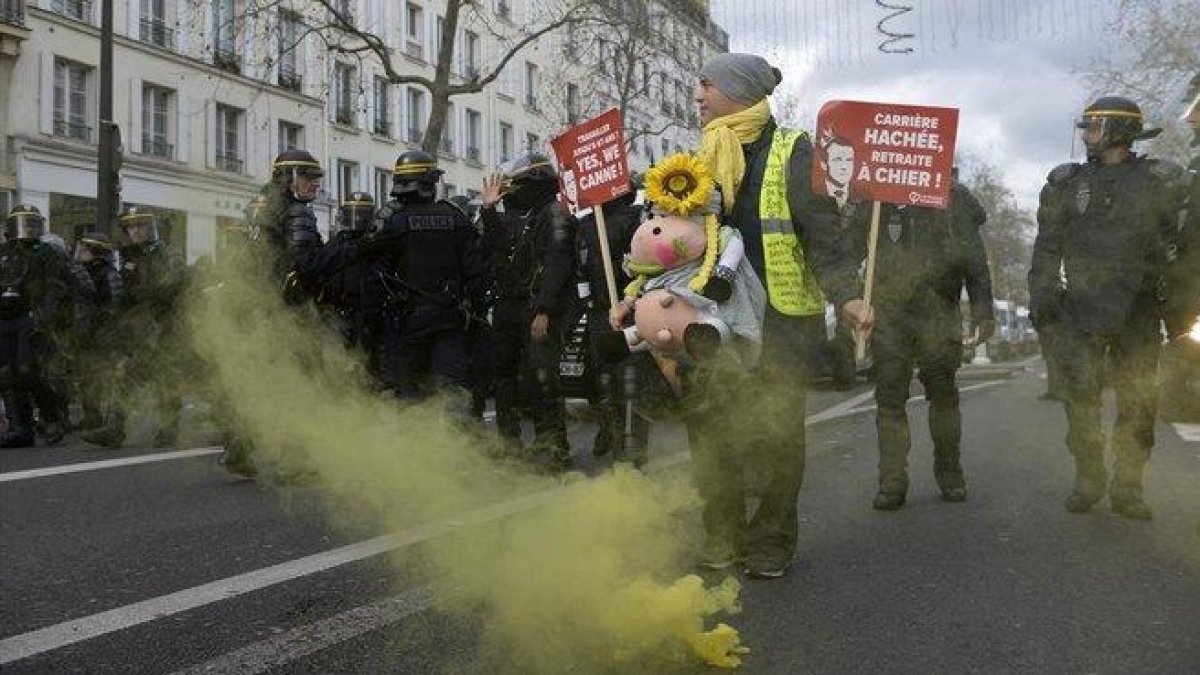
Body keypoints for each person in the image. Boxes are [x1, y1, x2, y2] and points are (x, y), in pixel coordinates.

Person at [689, 53, 872, 578]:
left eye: (705, 85)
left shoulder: (794, 151)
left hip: (780, 323)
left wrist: (848, 295)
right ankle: (721, 534)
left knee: (775, 436)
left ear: (736, 91)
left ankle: (770, 542)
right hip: (715, 324)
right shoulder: (698, 156)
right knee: (712, 431)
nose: (697, 95)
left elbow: (824, 236)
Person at [1029, 96, 1189, 520]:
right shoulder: (1065, 184)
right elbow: (1046, 250)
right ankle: (1089, 477)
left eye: (1093, 128)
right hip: (1080, 312)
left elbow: (1184, 251)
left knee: (1138, 404)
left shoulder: (1162, 182)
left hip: (1138, 312)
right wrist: (1042, 301)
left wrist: (1180, 314)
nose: (1085, 136)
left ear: (1118, 131)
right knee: (1080, 402)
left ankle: (1128, 487)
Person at [853, 180, 995, 510]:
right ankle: (892, 480)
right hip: (890, 313)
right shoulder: (877, 197)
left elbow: (975, 260)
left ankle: (949, 471)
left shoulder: (953, 196)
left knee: (944, 394)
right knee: (889, 395)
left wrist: (982, 310)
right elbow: (847, 251)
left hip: (939, 311)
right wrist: (850, 301)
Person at [480, 153, 578, 471]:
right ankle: (508, 442)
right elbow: (495, 247)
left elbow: (557, 263)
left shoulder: (556, 214)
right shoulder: (517, 215)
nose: (510, 193)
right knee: (504, 375)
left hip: (537, 307)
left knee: (542, 377)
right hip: (508, 306)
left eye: (514, 186)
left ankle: (552, 446)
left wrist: (544, 310)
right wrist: (488, 210)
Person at [369, 150, 490, 405]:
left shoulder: (392, 223)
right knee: (450, 396)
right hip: (450, 322)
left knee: (410, 399)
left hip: (405, 325)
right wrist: (477, 313)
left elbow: (376, 277)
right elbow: (477, 274)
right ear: (430, 183)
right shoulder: (455, 217)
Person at [81, 207, 187, 449]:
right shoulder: (129, 258)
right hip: (140, 328)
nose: (136, 231)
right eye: (131, 227)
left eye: (141, 226)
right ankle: (114, 429)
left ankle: (169, 427)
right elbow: (125, 297)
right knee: (127, 374)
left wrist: (148, 297)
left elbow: (174, 287)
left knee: (165, 377)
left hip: (165, 326)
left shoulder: (168, 254)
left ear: (152, 229)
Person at [575, 186, 652, 465]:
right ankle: (611, 431)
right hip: (599, 312)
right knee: (604, 381)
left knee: (632, 384)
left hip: (633, 310)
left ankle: (631, 457)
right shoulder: (585, 223)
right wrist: (586, 304)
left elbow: (649, 260)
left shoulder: (637, 217)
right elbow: (579, 266)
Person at [0, 205, 71, 447]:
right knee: (7, 374)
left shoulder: (48, 253)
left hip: (32, 317)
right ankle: (20, 429)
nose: (27, 228)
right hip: (5, 318)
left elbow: (55, 289)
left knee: (28, 371)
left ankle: (52, 418)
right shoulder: (4, 251)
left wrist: (44, 318)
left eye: (32, 223)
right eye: (22, 223)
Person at [71, 231, 122, 432]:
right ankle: (92, 417)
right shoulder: (81, 272)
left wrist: (100, 325)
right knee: (86, 377)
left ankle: (110, 423)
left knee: (104, 377)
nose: (81, 252)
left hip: (102, 334)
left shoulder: (109, 274)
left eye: (85, 249)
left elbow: (114, 305)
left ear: (96, 252)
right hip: (85, 332)